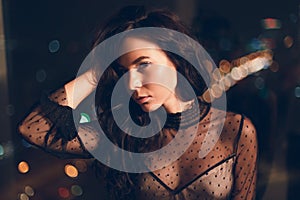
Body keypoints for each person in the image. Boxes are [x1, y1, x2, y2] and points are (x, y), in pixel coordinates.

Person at [18, 5, 258, 200]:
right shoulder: (123, 134)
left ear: (176, 58)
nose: (131, 83)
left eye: (143, 64)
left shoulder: (236, 131)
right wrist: (97, 70)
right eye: (124, 70)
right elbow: (33, 127)